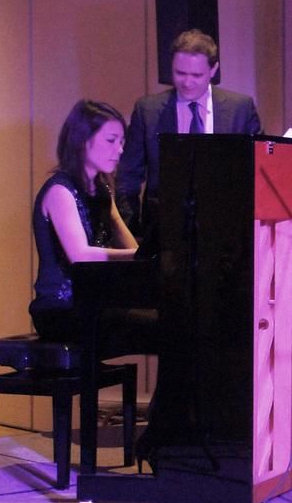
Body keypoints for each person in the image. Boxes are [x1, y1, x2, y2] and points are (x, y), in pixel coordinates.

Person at [116, 29, 261, 238]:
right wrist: (130, 232)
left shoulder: (240, 108)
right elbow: (128, 177)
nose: (187, 82)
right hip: (163, 230)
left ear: (213, 70)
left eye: (196, 75)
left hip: (226, 229)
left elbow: (258, 167)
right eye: (180, 73)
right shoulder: (148, 110)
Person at [30, 100, 148, 347]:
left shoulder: (102, 190)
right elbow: (80, 256)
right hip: (61, 310)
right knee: (165, 327)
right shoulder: (60, 190)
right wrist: (138, 256)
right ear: (83, 140)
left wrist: (147, 255)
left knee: (173, 320)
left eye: (122, 141)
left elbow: (128, 244)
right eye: (111, 140)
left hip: (92, 303)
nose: (120, 150)